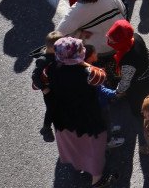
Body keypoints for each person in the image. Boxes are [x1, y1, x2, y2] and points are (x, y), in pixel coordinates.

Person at [48, 37, 116, 188]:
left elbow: (38, 84)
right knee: (94, 148)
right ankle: (97, 180)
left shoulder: (50, 69)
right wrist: (81, 62)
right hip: (87, 119)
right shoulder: (90, 73)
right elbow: (102, 76)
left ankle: (79, 165)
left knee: (74, 146)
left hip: (63, 119)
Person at [103, 19, 149, 140]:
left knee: (139, 109)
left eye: (113, 40)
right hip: (146, 76)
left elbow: (125, 82)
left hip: (138, 88)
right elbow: (147, 54)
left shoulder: (128, 60)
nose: (109, 41)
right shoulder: (135, 37)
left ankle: (146, 132)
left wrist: (118, 92)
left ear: (121, 41)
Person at [58, 0, 127, 53]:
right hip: (123, 41)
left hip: (101, 51)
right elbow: (124, 13)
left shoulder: (75, 11)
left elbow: (59, 35)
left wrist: (78, 34)